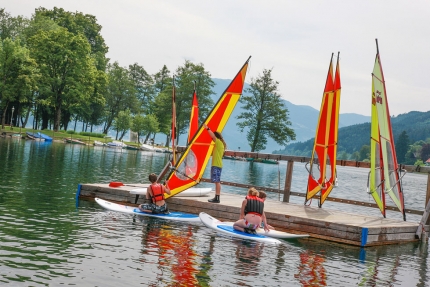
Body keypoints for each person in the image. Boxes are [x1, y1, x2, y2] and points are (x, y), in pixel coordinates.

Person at [203, 123, 226, 203]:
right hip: (216, 165)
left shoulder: (219, 142)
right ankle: (216, 197)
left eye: (213, 138)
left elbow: (212, 136)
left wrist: (207, 128)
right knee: (217, 181)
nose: (212, 139)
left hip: (217, 165)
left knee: (217, 182)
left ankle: (217, 198)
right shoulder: (218, 144)